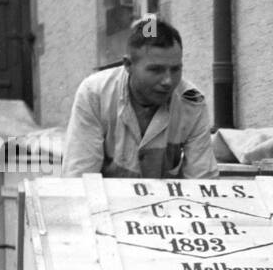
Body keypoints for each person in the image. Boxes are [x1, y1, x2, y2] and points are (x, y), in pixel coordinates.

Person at [62, 17, 217, 179]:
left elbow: (204, 181)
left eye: (175, 69)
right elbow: (80, 181)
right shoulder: (94, 94)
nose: (168, 81)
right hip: (107, 203)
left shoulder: (191, 103)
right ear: (128, 65)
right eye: (156, 70)